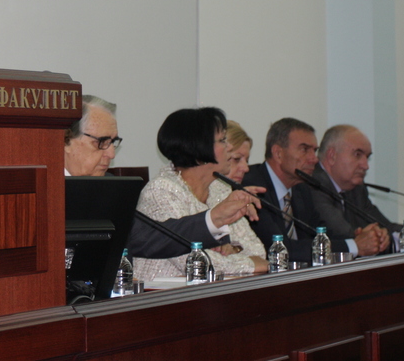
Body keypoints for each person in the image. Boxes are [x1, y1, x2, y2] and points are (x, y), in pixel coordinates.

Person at [64, 97, 261, 260]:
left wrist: (215, 218)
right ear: (65, 140)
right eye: (101, 142)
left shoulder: (111, 188)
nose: (111, 154)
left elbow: (149, 238)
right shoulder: (46, 190)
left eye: (113, 142)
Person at [131, 107, 269, 281]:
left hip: (212, 289)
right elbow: (193, 262)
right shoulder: (160, 191)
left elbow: (258, 252)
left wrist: (234, 249)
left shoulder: (220, 189)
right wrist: (248, 264)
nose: (229, 147)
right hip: (161, 294)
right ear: (199, 149)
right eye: (223, 140)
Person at [242, 118, 389, 263]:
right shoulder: (251, 186)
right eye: (305, 149)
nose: (314, 159)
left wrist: (362, 238)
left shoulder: (301, 189)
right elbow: (279, 249)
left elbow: (321, 235)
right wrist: (355, 246)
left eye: (315, 150)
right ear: (278, 153)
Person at [313, 125, 404, 249]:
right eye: (357, 154)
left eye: (367, 157)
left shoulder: (356, 188)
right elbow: (347, 237)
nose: (365, 166)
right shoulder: (314, 184)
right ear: (332, 156)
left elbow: (383, 225)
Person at [206, 120, 266, 264]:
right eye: (237, 159)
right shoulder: (191, 196)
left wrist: (235, 249)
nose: (246, 168)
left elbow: (260, 253)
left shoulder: (233, 194)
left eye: (247, 160)